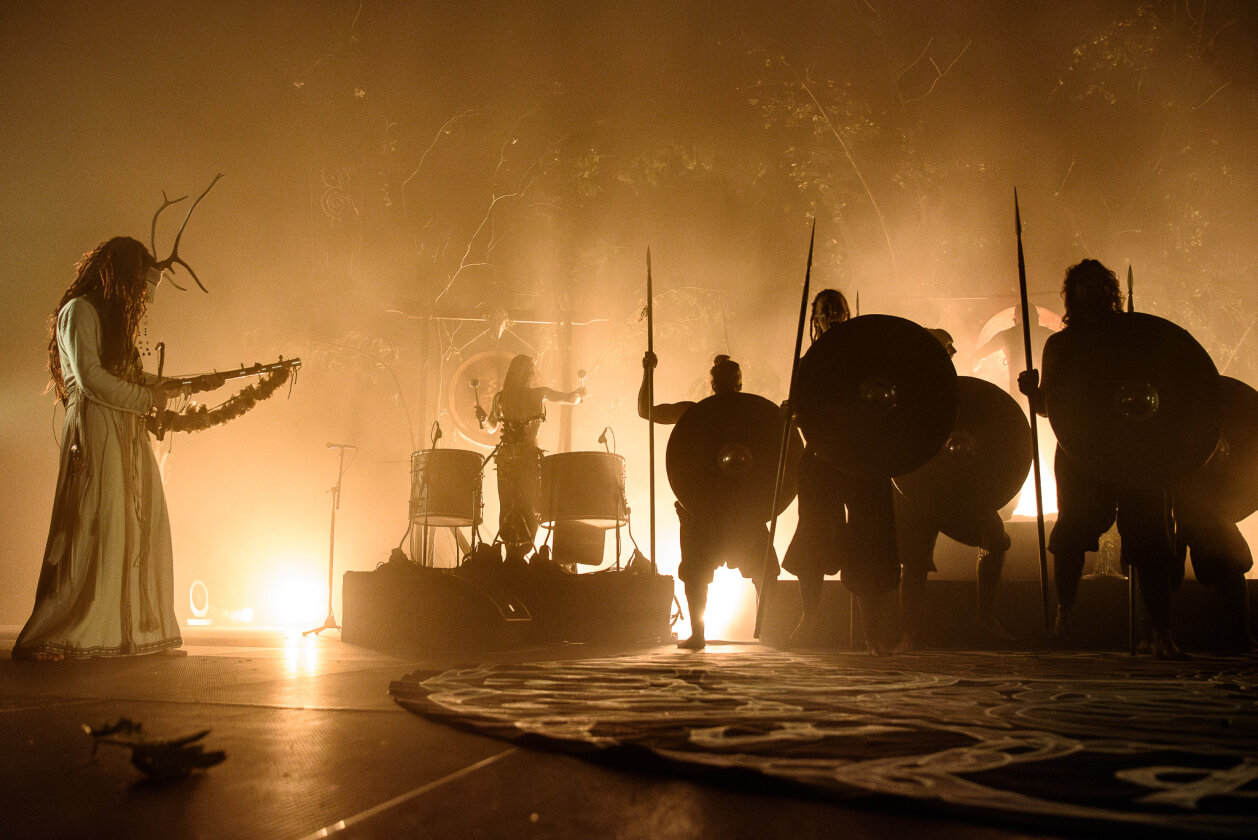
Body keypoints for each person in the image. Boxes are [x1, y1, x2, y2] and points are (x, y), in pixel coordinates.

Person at [13, 237, 182, 660]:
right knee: (98, 520)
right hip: (95, 427)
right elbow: (90, 377)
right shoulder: (79, 312)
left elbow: (118, 375)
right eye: (139, 283)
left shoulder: (111, 322)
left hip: (124, 430)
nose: (143, 296)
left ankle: (127, 629)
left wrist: (157, 386)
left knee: (138, 523)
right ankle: (75, 627)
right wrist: (145, 399)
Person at [1019, 259, 1181, 657]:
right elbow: (1049, 408)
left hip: (1136, 449)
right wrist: (1033, 392)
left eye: (1097, 284)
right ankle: (1064, 617)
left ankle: (1160, 631)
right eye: (1082, 285)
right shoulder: (1060, 344)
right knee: (1073, 531)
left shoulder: (1135, 335)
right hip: (1082, 450)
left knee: (1151, 538)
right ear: (1072, 293)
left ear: (1110, 291)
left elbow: (1161, 388)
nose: (1091, 292)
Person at [783, 289, 900, 655]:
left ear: (848, 313)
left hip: (864, 456)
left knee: (870, 538)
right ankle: (810, 618)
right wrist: (794, 411)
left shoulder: (869, 358)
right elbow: (805, 411)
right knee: (815, 534)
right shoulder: (808, 363)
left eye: (838, 309)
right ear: (815, 319)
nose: (832, 314)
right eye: (824, 310)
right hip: (822, 456)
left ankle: (872, 632)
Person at [639, 352, 775, 650]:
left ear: (737, 384)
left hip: (743, 507)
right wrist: (647, 372)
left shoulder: (753, 414)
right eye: (722, 380)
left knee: (765, 568)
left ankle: (769, 628)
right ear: (715, 383)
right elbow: (647, 411)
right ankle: (699, 633)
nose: (725, 384)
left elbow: (775, 445)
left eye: (729, 380)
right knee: (695, 571)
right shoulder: (696, 412)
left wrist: (648, 371)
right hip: (704, 506)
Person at [895, 328, 1012, 650]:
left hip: (960, 490)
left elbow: (992, 432)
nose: (950, 356)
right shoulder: (907, 393)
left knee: (994, 537)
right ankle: (909, 633)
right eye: (944, 350)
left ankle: (984, 617)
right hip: (917, 488)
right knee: (915, 561)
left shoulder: (963, 395)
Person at [478, 354, 584, 564]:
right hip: (521, 459)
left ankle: (513, 555)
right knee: (524, 505)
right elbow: (571, 399)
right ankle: (519, 554)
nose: (531, 374)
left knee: (512, 505)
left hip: (511, 459)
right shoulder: (516, 396)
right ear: (525, 373)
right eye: (529, 369)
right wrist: (580, 393)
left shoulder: (504, 397)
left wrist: (484, 421)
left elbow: (491, 427)